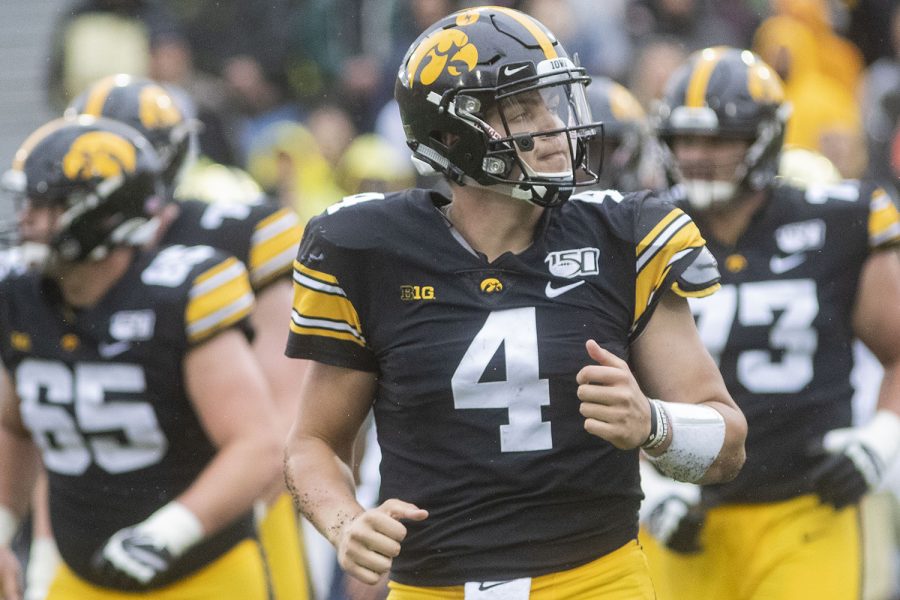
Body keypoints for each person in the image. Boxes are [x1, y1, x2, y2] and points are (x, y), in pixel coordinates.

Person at [282, 6, 747, 599]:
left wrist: (653, 425)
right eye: (523, 110)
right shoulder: (370, 250)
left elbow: (728, 446)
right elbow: (313, 442)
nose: (553, 126)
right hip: (432, 588)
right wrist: (344, 523)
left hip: (595, 580)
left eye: (552, 103)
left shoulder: (623, 236)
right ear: (453, 135)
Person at [640, 46, 900, 600]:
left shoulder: (836, 219)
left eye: (717, 139)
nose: (695, 154)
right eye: (684, 138)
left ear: (765, 137)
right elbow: (595, 370)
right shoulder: (643, 230)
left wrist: (882, 439)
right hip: (688, 514)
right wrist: (644, 485)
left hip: (806, 505)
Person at [0, 116, 281, 598]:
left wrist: (166, 534)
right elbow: (12, 425)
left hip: (202, 574)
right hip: (81, 572)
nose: (27, 219)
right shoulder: (19, 297)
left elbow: (257, 445)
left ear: (102, 214)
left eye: (46, 205)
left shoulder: (177, 295)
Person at [54, 74, 311, 600]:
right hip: (103, 504)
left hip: (234, 505)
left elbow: (284, 414)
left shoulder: (239, 233)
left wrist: (215, 520)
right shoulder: (61, 261)